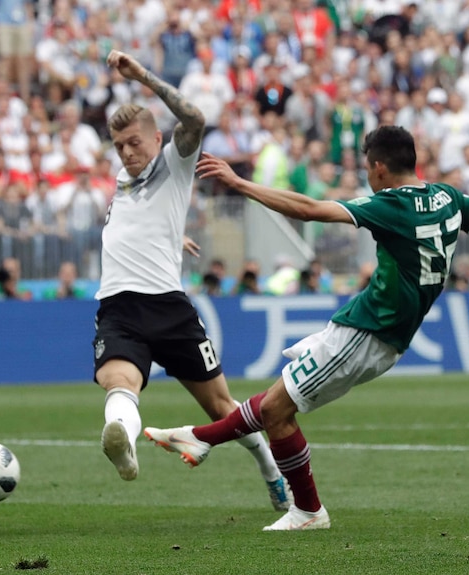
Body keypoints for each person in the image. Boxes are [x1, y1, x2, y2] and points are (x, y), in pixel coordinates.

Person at [145, 125, 469, 531]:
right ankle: (204, 442)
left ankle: (271, 486)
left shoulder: (390, 205)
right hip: (360, 323)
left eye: (366, 168)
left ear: (378, 168)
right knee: (276, 403)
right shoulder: (448, 197)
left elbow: (308, 209)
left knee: (275, 410)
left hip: (369, 335)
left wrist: (239, 183)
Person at [93, 49, 291, 512]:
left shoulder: (173, 162)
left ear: (156, 137)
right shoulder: (122, 183)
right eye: (119, 145)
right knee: (118, 383)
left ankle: (270, 470)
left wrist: (141, 75)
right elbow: (138, 225)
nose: (127, 152)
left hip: (168, 307)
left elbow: (196, 117)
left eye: (134, 142)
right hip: (118, 308)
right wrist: (171, 236)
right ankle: (122, 440)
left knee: (222, 408)